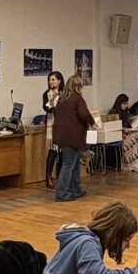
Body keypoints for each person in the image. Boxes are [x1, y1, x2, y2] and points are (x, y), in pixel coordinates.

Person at [50, 74, 94, 203]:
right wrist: (93, 122)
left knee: (74, 164)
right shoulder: (78, 99)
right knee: (68, 165)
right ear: (78, 86)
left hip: (61, 136)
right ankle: (61, 194)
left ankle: (76, 189)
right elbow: (84, 114)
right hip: (73, 137)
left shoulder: (61, 99)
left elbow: (55, 114)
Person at [41, 71, 65, 185]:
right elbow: (47, 109)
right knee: (53, 151)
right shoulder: (46, 94)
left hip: (63, 125)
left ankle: (61, 178)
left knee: (63, 152)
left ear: (59, 81)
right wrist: (53, 99)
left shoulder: (65, 93)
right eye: (49, 80)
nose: (51, 82)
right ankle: (48, 178)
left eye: (53, 79)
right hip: (52, 124)